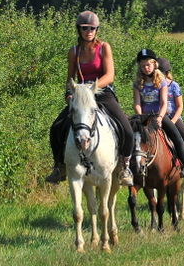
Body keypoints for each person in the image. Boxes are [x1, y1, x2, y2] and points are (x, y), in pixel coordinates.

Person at [46, 11, 134, 186]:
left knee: (127, 128)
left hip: (103, 93)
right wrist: (69, 94)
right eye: (85, 28)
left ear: (97, 30)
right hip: (81, 96)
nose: (89, 31)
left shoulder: (104, 47)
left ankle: (124, 167)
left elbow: (110, 76)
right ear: (79, 29)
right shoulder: (73, 52)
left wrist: (91, 88)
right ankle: (59, 167)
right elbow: (70, 79)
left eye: (92, 28)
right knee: (56, 127)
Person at [133, 49, 184, 177]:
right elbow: (137, 103)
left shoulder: (161, 82)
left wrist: (160, 118)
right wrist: (140, 117)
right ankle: (127, 166)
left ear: (154, 64)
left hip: (159, 115)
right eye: (143, 66)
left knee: (176, 136)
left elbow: (164, 103)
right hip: (144, 116)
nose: (146, 68)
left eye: (148, 65)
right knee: (130, 134)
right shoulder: (138, 83)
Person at [157, 57, 184, 167]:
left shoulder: (174, 86)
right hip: (159, 116)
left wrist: (173, 121)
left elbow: (180, 106)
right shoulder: (154, 85)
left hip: (173, 117)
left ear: (164, 72)